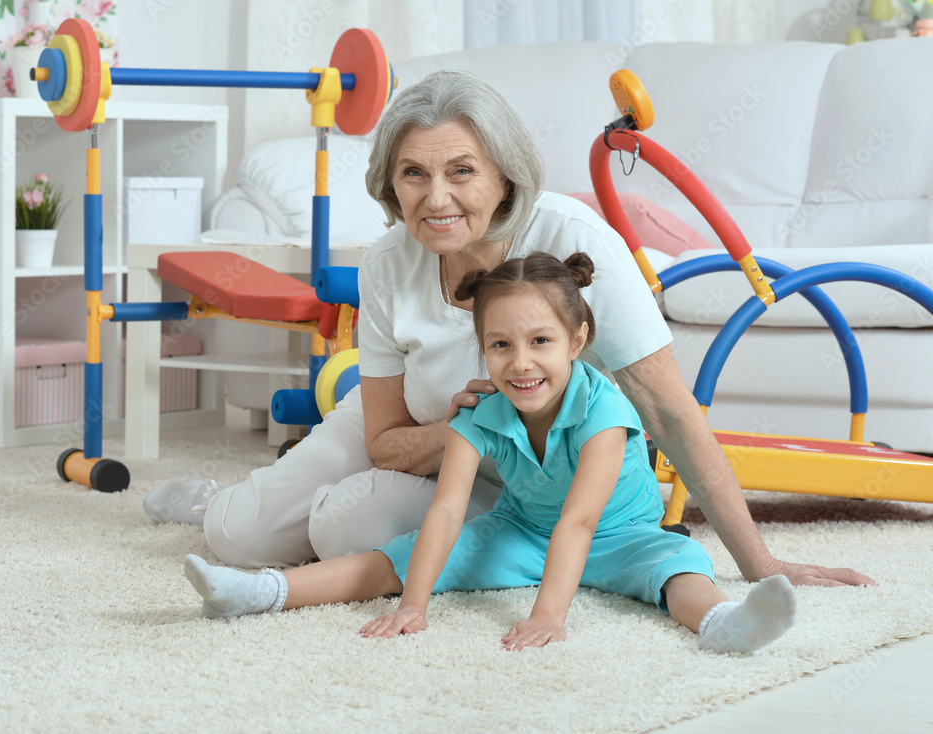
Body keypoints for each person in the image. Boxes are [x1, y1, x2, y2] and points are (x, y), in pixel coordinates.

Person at [145, 69, 874, 590]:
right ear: (389, 185)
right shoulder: (389, 263)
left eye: (461, 171)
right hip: (425, 434)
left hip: (525, 474)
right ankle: (225, 500)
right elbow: (384, 438)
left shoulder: (570, 236)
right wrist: (465, 426)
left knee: (344, 526)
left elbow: (669, 412)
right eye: (413, 175)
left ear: (503, 175)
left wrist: (760, 563)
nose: (436, 198)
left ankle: (343, 533)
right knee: (236, 540)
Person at [182, 252, 798, 654]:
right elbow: (448, 512)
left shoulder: (605, 410)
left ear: (579, 340)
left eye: (540, 342)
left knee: (679, 569)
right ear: (482, 350)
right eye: (500, 345)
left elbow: (582, 521)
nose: (521, 362)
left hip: (623, 534)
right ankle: (261, 591)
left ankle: (726, 624)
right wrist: (414, 605)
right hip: (522, 531)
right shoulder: (479, 415)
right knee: (395, 556)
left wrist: (548, 615)